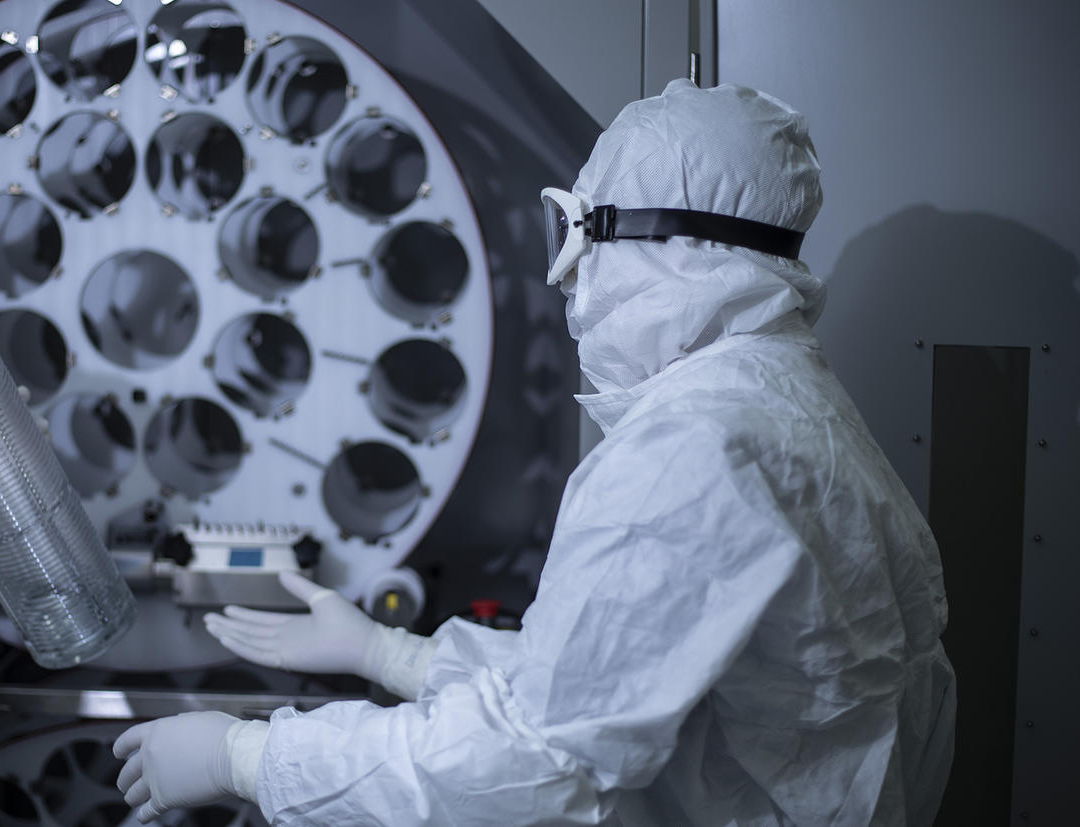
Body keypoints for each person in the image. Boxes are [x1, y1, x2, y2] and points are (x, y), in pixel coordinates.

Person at [113, 80, 957, 825]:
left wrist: (248, 759)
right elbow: (611, 678)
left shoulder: (693, 449)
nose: (564, 277)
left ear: (665, 239)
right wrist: (391, 654)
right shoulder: (786, 404)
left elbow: (537, 761)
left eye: (579, 231)